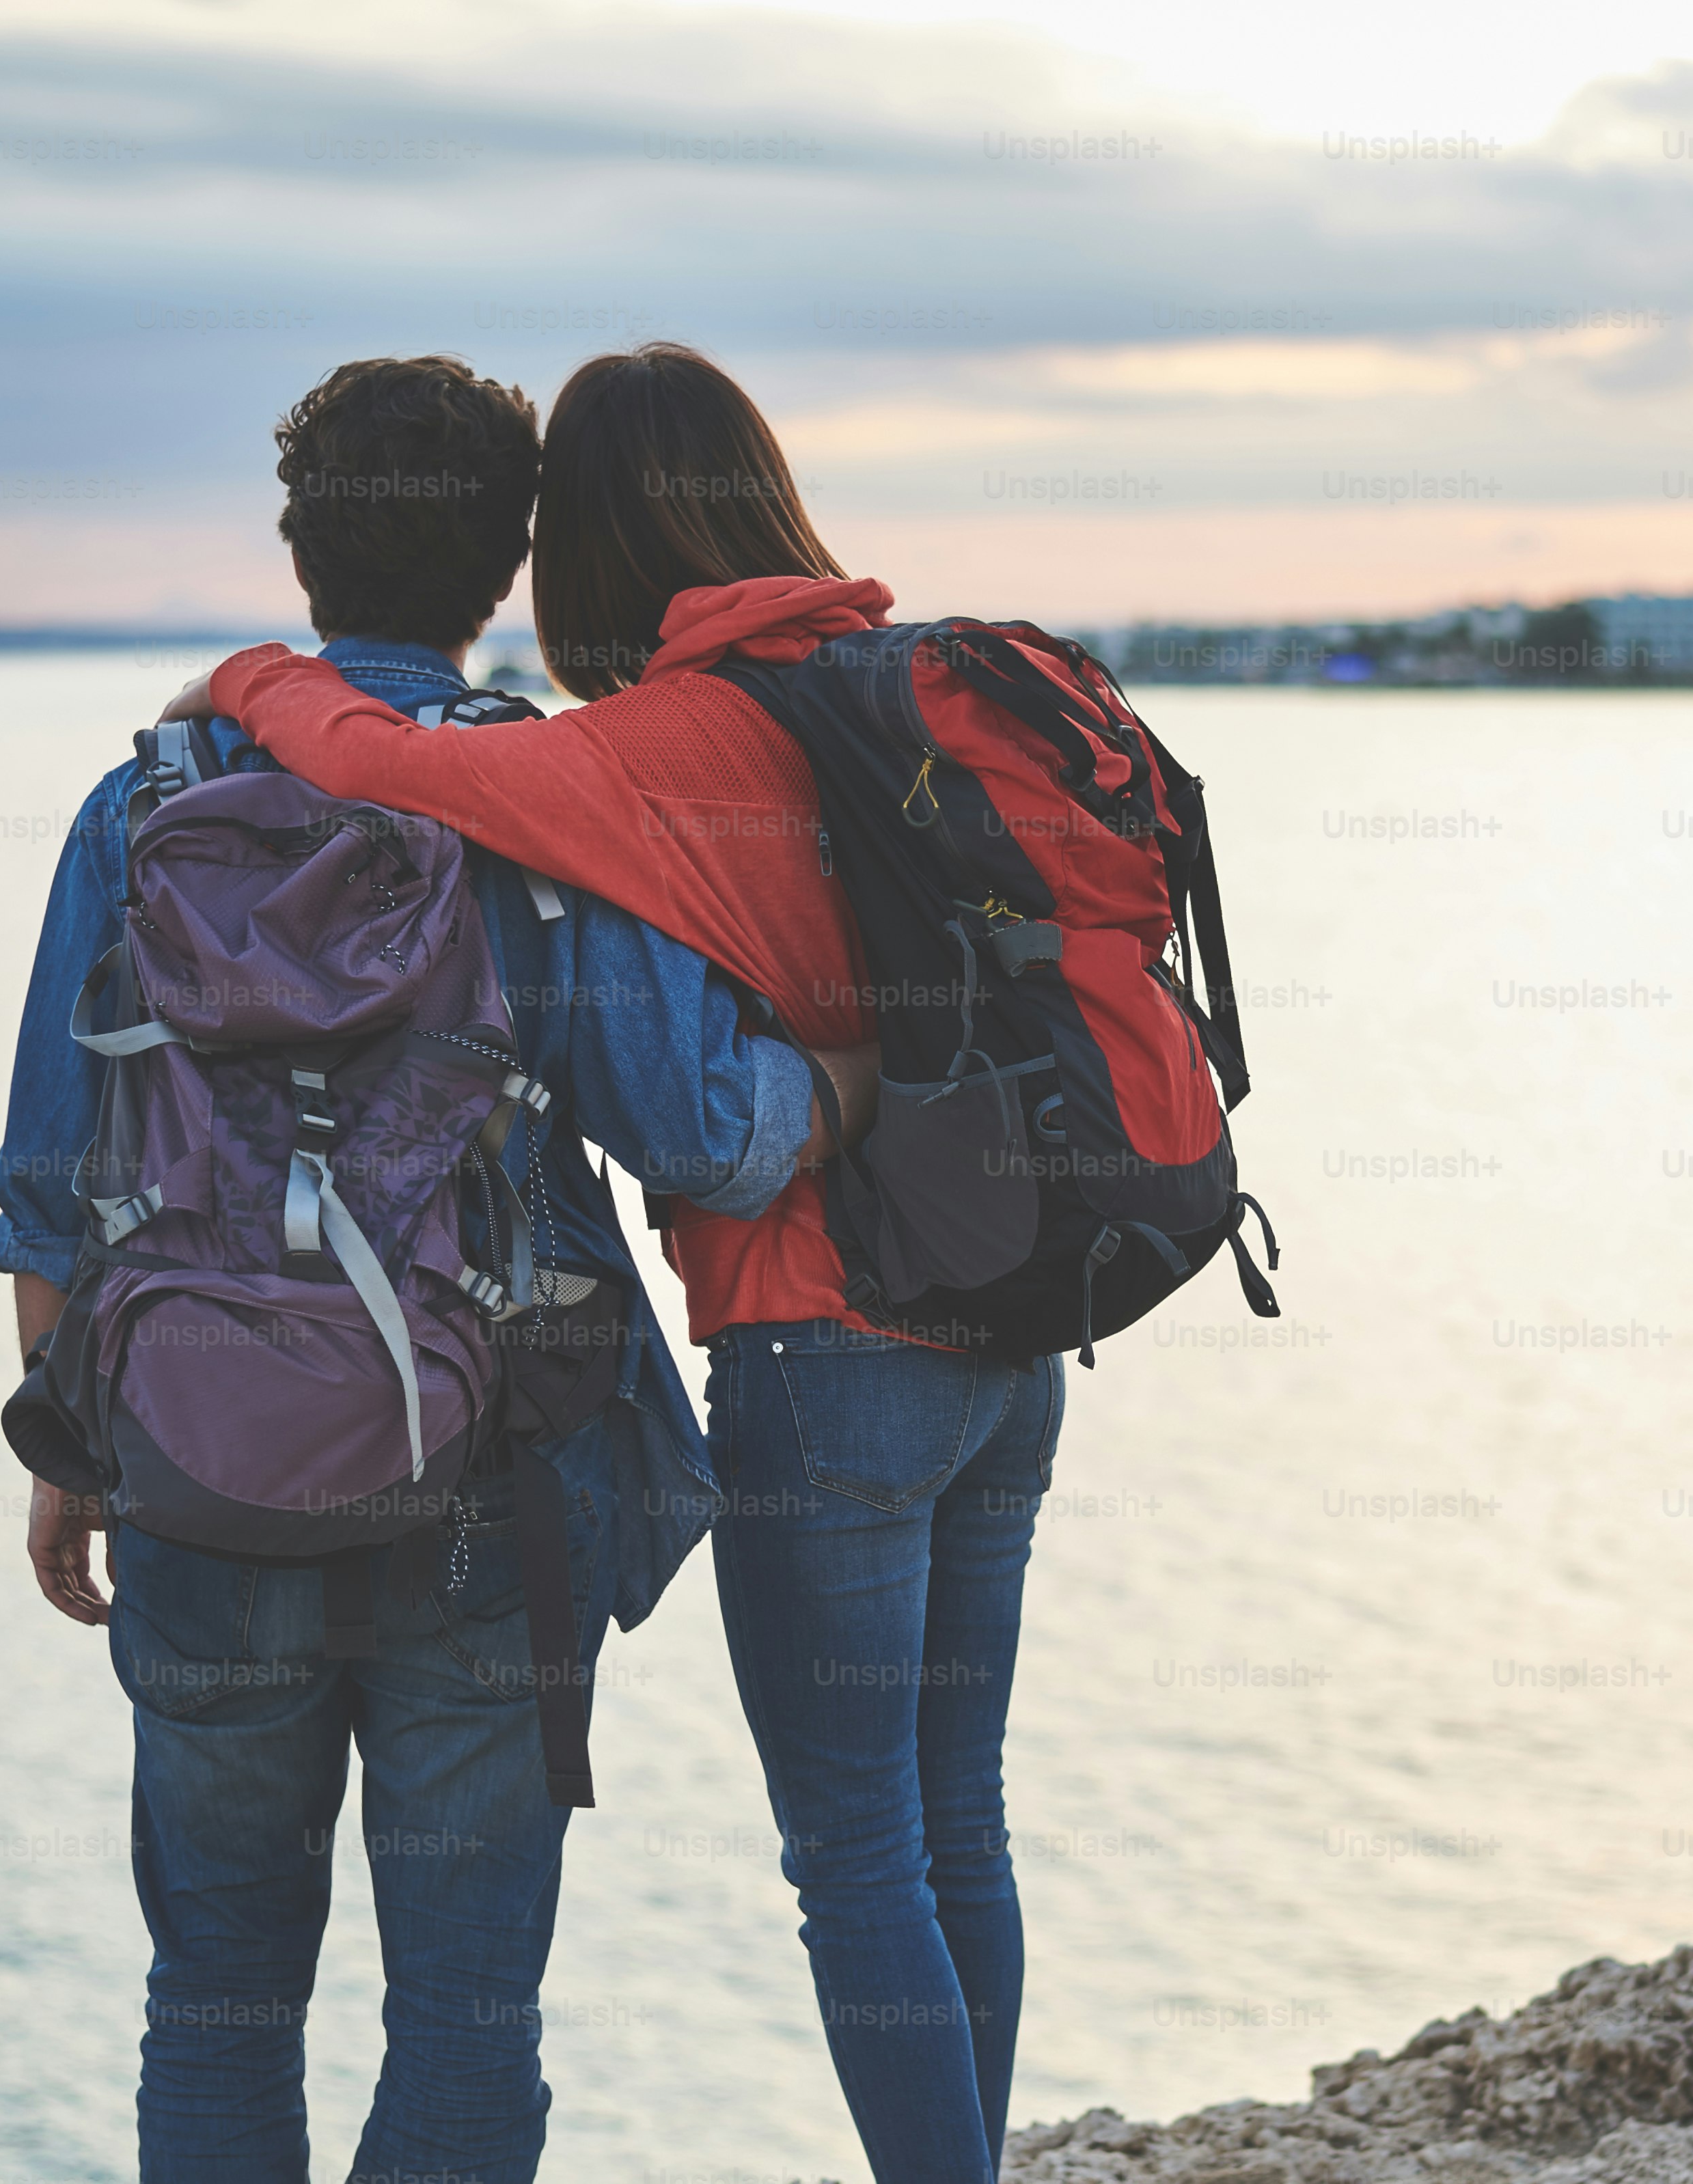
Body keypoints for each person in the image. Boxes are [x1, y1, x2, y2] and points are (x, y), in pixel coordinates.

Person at [155, 344, 1070, 2184]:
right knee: (954, 1826)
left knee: (857, 1861)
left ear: (573, 548)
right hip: (1009, 1325)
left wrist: (248, 675)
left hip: (820, 1344)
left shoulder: (640, 748)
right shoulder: (887, 680)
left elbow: (384, 767)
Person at [0, 354, 867, 2184]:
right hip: (496, 1479)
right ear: (505, 564)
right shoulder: (542, 800)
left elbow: (54, 1182)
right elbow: (704, 1134)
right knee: (466, 2015)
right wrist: (858, 1079)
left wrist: (70, 1452)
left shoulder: (141, 802)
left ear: (302, 553)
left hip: (196, 1466)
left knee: (215, 1998)